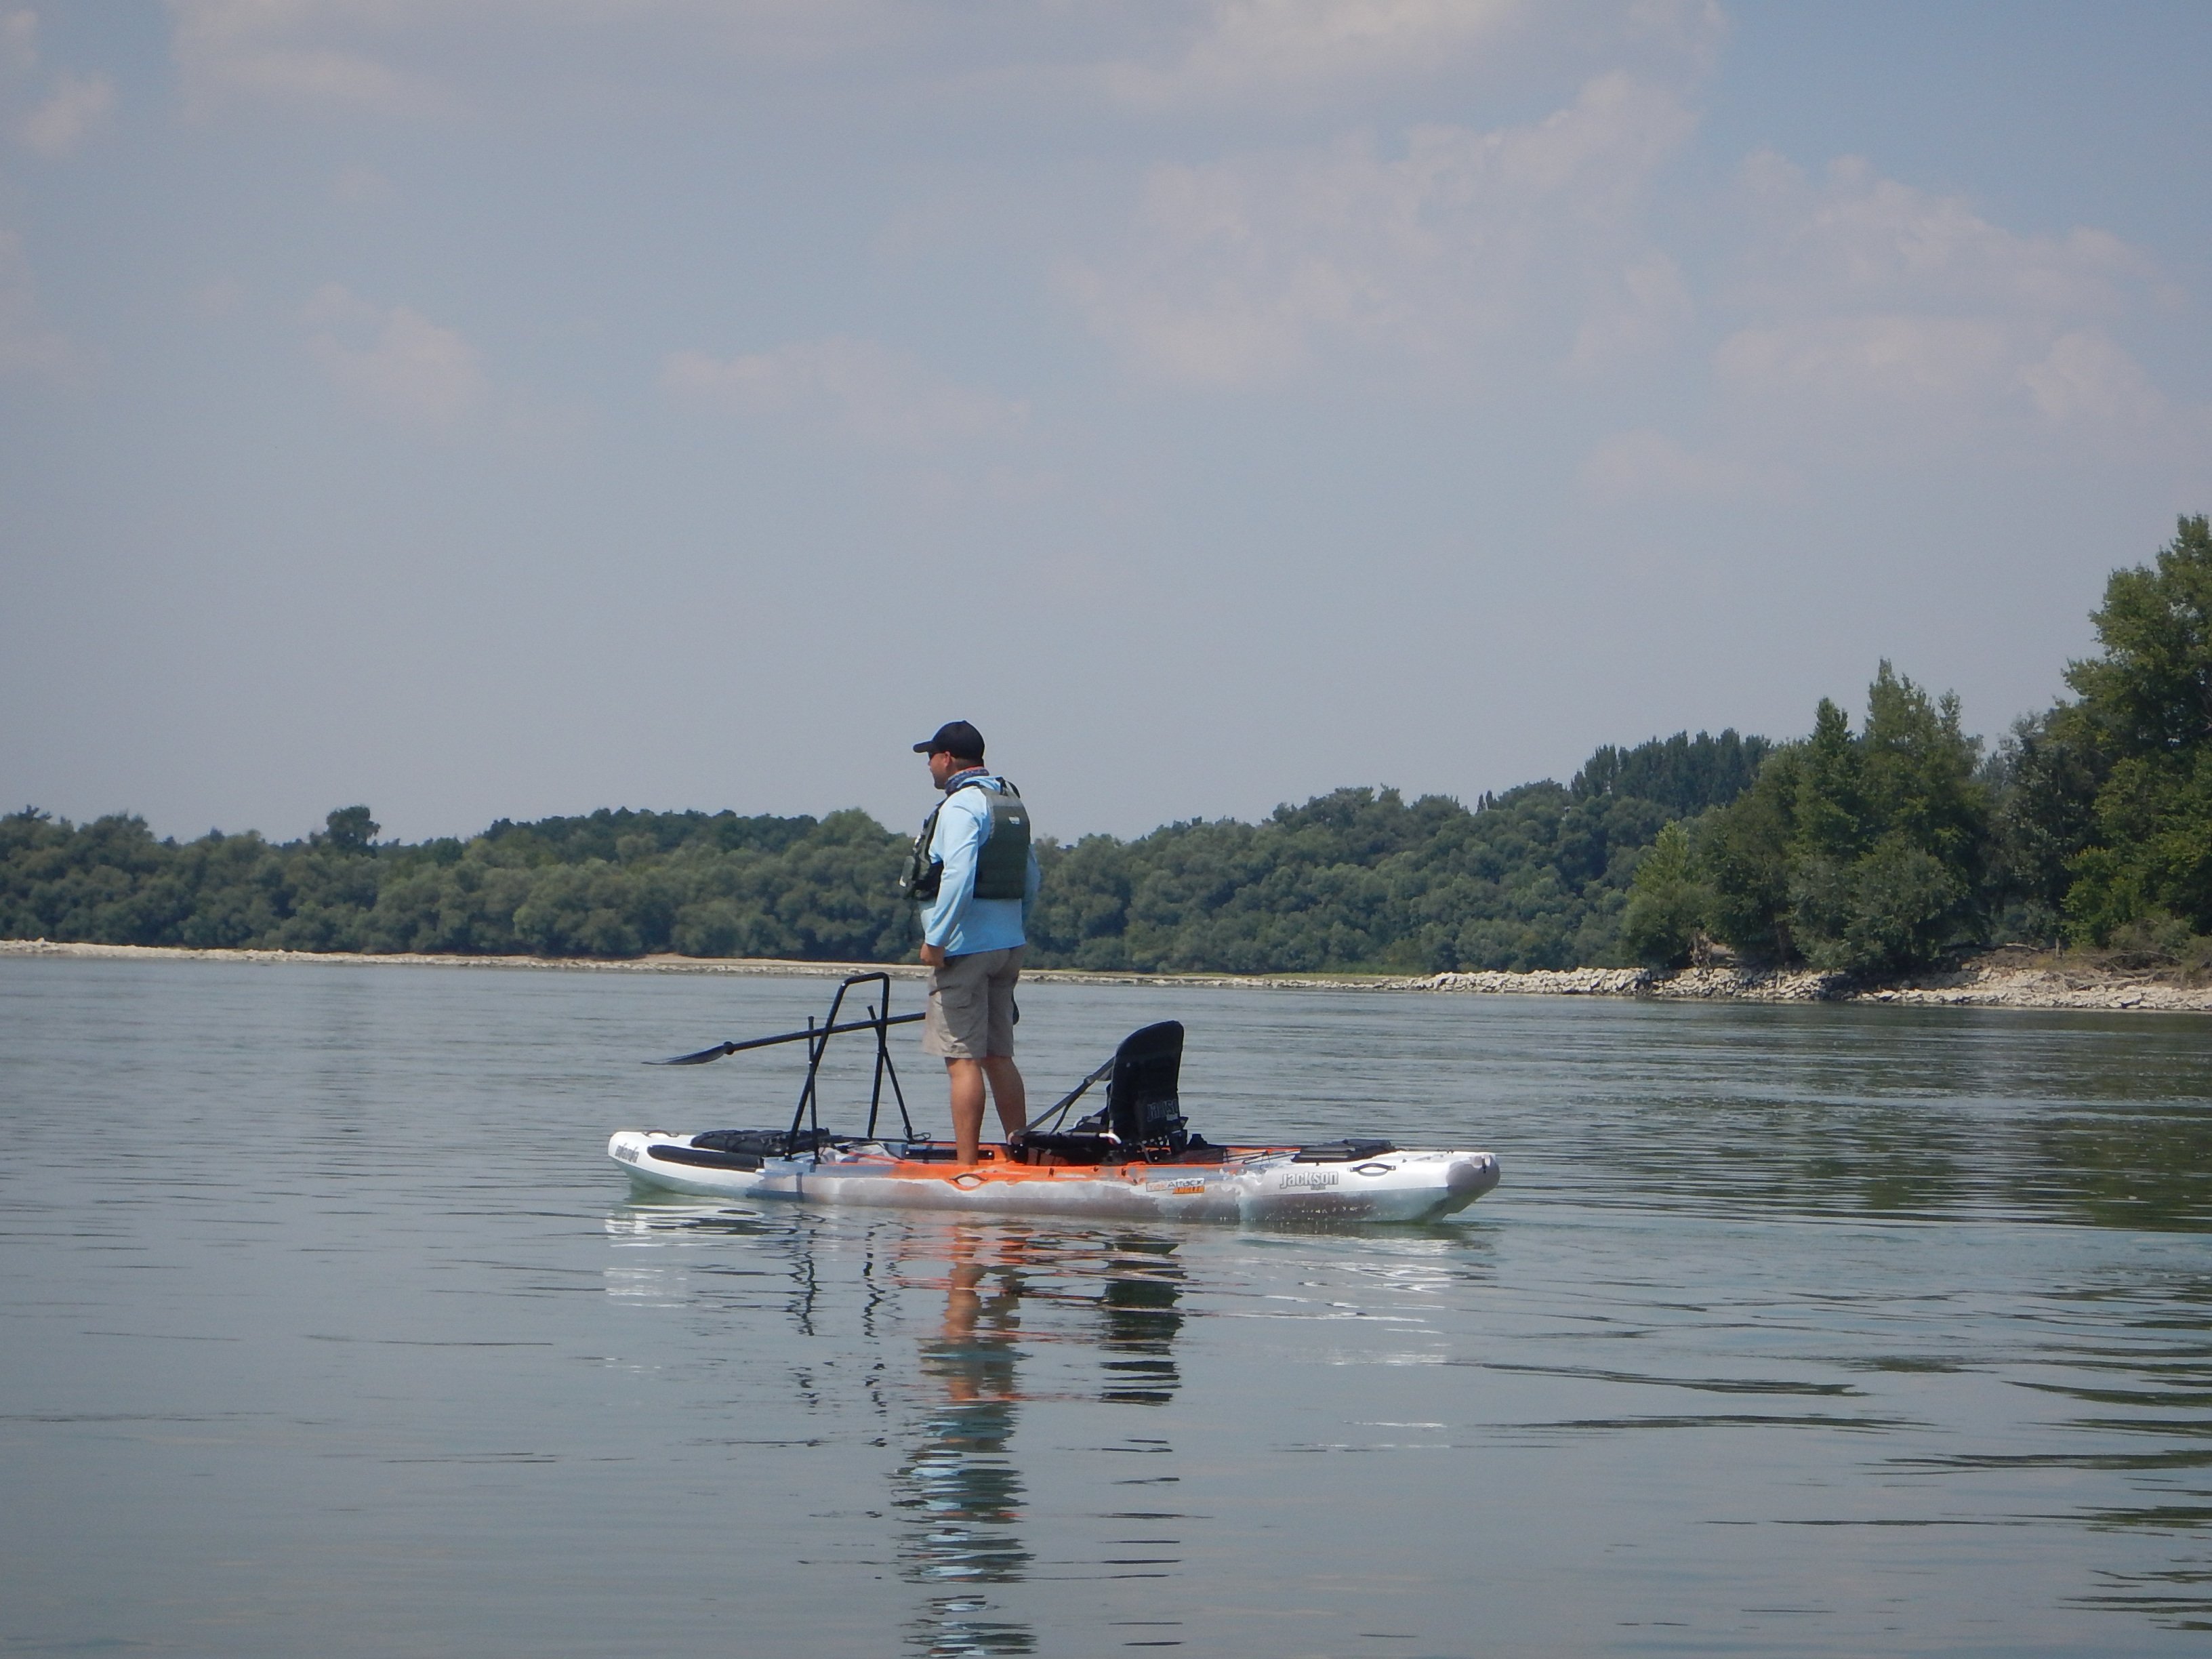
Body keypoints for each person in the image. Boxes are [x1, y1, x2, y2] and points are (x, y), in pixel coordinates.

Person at [907, 720, 1040, 1166]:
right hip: (1008, 945)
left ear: (947, 759)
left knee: (961, 1059)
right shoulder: (1007, 802)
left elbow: (959, 876)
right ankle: (1019, 1157)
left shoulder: (961, 807)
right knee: (998, 1055)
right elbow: (1033, 878)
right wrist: (1014, 927)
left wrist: (937, 939)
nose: (928, 766)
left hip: (965, 948)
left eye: (931, 757)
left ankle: (966, 1171)